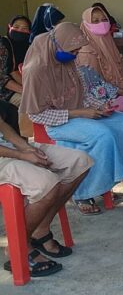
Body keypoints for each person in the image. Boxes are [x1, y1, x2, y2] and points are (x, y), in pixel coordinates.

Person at [19, 23, 123, 217]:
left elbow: (83, 93)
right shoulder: (37, 70)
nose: (76, 54)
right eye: (74, 49)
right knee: (103, 135)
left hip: (80, 113)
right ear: (58, 44)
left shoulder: (68, 61)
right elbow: (36, 114)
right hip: (56, 122)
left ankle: (109, 180)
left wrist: (98, 106)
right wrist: (80, 113)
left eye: (78, 49)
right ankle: (84, 193)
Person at [0, 112, 92, 277]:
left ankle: (40, 228)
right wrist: (21, 155)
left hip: (9, 148)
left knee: (80, 161)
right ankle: (18, 247)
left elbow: (3, 126)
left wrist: (26, 148)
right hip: (4, 156)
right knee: (45, 183)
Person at [77, 5, 123, 119]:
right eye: (95, 21)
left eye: (104, 19)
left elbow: (120, 69)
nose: (101, 24)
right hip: (101, 98)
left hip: (119, 91)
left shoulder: (108, 41)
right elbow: (95, 87)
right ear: (86, 24)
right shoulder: (86, 52)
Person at [0, 15, 31, 106]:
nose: (20, 31)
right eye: (16, 27)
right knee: (31, 102)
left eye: (24, 28)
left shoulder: (27, 47)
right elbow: (1, 77)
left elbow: (16, 71)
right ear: (9, 27)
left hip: (20, 85)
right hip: (4, 92)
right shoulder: (3, 45)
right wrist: (25, 91)